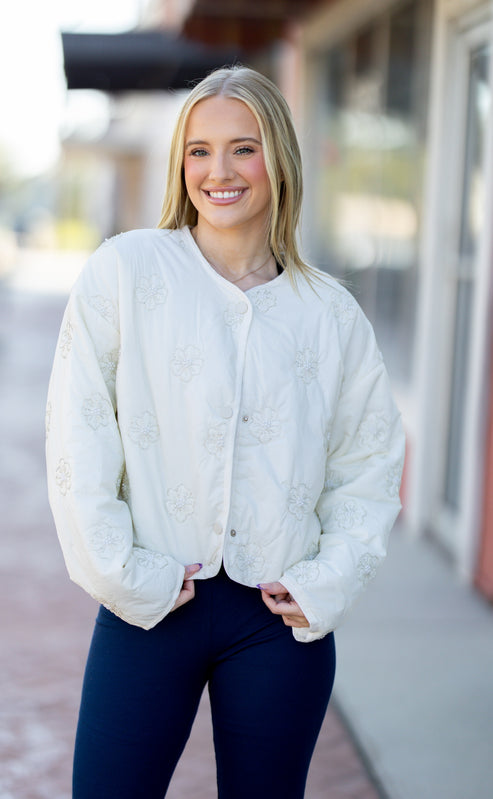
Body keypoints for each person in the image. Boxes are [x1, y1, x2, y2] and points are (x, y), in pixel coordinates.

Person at [46, 65, 405, 799]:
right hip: (150, 605)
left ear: (278, 158)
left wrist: (327, 578)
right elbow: (78, 439)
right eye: (198, 150)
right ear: (181, 164)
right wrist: (125, 572)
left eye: (243, 148)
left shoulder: (330, 314)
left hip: (276, 622)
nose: (219, 171)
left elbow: (366, 464)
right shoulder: (125, 271)